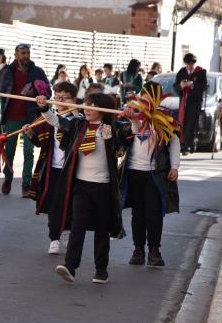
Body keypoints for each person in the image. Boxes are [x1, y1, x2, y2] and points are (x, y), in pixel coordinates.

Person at [37, 93, 128, 284]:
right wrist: (44, 108)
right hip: (80, 185)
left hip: (103, 186)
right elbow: (57, 122)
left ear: (103, 109)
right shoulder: (78, 124)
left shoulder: (111, 128)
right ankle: (70, 266)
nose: (86, 108)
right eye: (86, 104)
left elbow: (129, 134)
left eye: (92, 105)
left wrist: (135, 117)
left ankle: (101, 270)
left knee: (102, 229)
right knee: (77, 226)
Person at [120, 81, 180, 267]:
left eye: (150, 96)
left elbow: (174, 142)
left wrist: (175, 166)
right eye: (144, 96)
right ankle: (138, 249)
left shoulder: (166, 117)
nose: (146, 100)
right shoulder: (133, 112)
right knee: (138, 213)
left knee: (154, 212)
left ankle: (154, 249)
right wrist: (132, 118)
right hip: (134, 171)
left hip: (156, 172)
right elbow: (134, 131)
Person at [24, 81, 80, 255]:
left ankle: (68, 230)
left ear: (74, 99)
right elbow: (41, 143)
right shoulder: (46, 117)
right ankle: (54, 237)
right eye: (58, 97)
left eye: (66, 98)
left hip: (72, 169)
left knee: (71, 202)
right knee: (54, 203)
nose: (61, 101)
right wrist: (31, 133)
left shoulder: (79, 120)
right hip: (52, 168)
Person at [0, 43, 51, 197]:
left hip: (31, 118)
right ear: (16, 54)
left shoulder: (37, 72)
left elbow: (48, 92)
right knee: (9, 152)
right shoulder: (7, 71)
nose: (26, 56)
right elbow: (3, 94)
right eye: (23, 53)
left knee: (29, 152)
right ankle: (8, 178)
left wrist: (36, 93)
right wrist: (2, 116)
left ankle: (26, 184)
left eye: (28, 52)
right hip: (11, 118)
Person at [173, 53, 207, 155]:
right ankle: (182, 144)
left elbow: (204, 87)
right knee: (182, 122)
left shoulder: (200, 72)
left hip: (194, 101)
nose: (190, 66)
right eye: (188, 64)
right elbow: (175, 87)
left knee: (191, 123)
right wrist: (181, 85)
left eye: (192, 64)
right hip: (183, 101)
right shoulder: (181, 72)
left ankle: (187, 145)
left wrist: (193, 84)